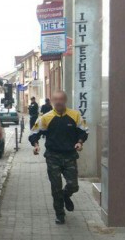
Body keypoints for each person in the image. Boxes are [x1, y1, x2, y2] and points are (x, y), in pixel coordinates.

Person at [29, 91, 89, 224]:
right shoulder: (46, 117)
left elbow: (84, 131)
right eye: (55, 100)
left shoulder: (75, 115)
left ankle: (66, 195)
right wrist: (36, 144)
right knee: (56, 187)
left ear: (65, 100)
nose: (58, 102)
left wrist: (79, 142)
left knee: (73, 186)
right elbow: (34, 132)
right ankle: (60, 214)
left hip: (69, 156)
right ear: (52, 101)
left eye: (61, 99)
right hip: (53, 156)